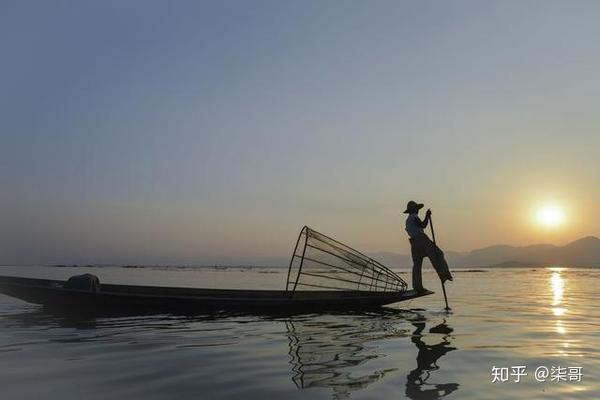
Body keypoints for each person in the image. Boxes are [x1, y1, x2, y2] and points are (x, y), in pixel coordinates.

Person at [404, 200, 453, 292]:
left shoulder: (407, 221)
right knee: (437, 254)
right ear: (414, 210)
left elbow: (419, 226)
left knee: (417, 265)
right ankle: (444, 274)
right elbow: (423, 225)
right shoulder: (414, 216)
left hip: (414, 243)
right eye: (417, 209)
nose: (418, 211)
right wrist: (427, 215)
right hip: (421, 239)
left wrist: (427, 216)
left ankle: (417, 287)